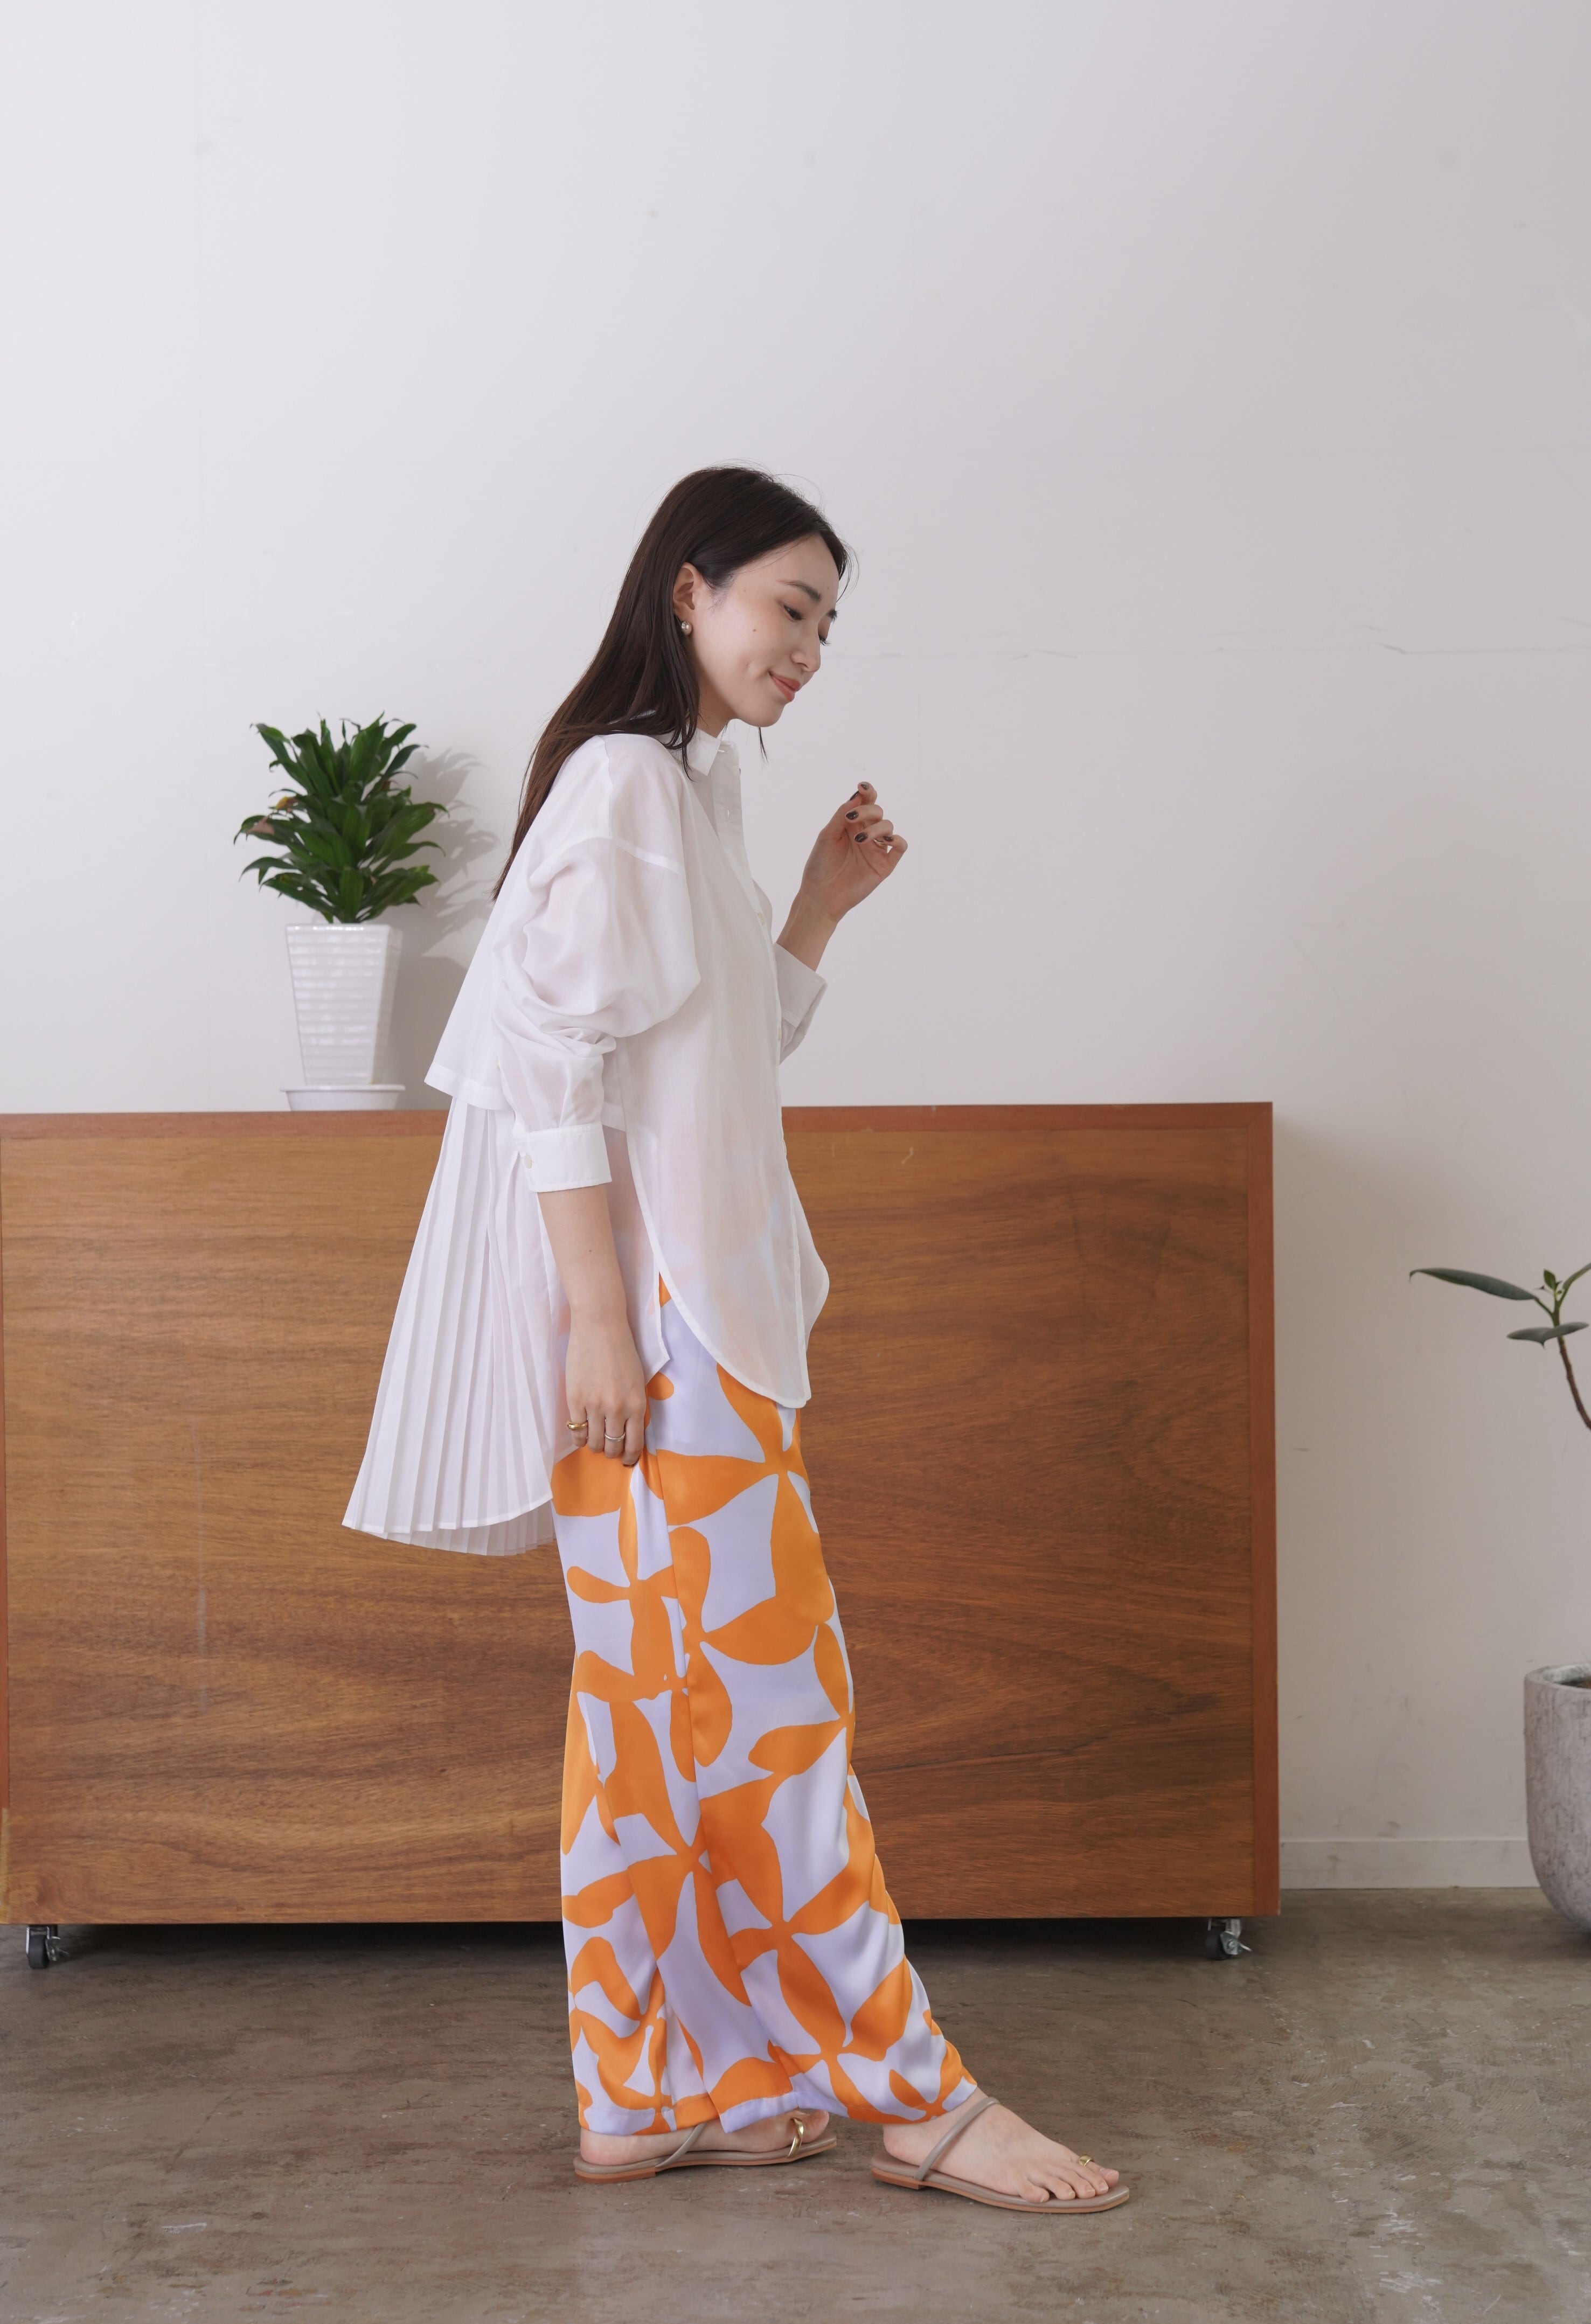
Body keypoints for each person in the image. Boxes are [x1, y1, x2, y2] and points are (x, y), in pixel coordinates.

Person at [345, 465, 1126, 2213]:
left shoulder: (683, 789)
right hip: (659, 1341)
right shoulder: (628, 781)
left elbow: (698, 1061)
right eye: (789, 605)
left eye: (828, 622)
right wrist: (599, 1323)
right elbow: (550, 1064)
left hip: (676, 1329)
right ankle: (912, 2099)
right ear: (687, 592)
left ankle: (642, 2091)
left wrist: (816, 909)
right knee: (776, 1716)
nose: (809, 647)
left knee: (649, 1724)